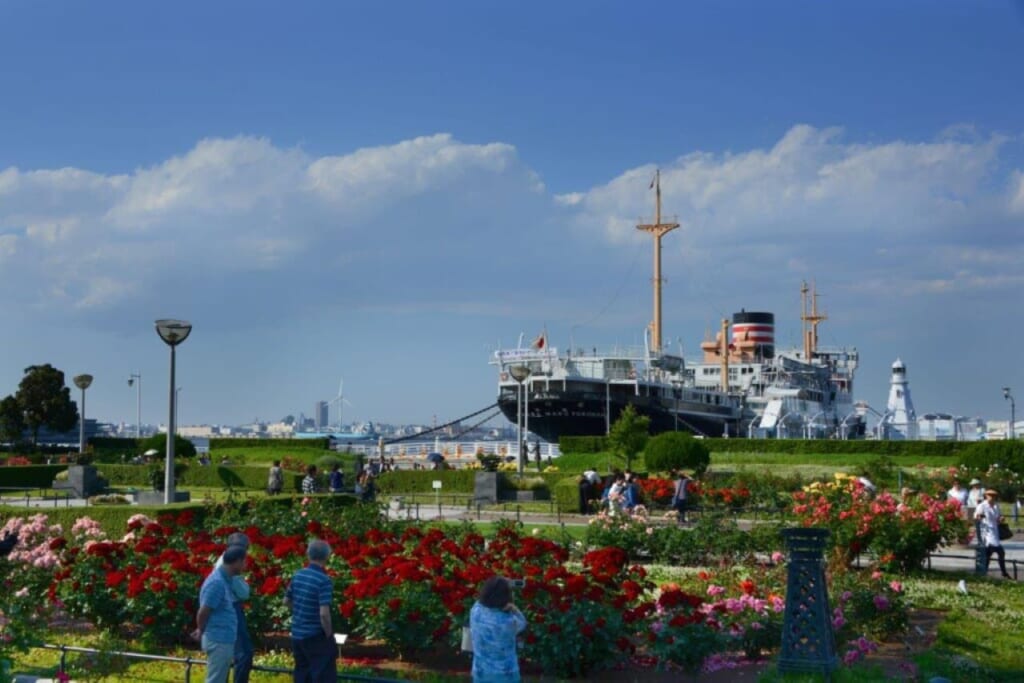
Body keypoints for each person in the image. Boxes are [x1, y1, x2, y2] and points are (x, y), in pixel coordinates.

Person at [193, 545, 247, 683]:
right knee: (215, 680)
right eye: (244, 561)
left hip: (223, 639)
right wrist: (200, 629)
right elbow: (203, 611)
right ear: (236, 562)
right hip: (218, 640)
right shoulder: (217, 583)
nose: (245, 565)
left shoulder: (225, 580)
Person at [285, 540, 337, 683]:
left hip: (297, 633)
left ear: (308, 555)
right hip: (315, 635)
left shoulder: (298, 575)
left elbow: (287, 601)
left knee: (302, 673)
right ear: (327, 557)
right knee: (322, 675)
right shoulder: (323, 580)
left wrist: (300, 613)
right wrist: (329, 635)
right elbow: (324, 614)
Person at [469, 577, 527, 683]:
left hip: (481, 674)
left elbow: (482, 600)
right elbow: (522, 624)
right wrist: (514, 609)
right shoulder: (508, 621)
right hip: (506, 676)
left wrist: (499, 584)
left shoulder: (475, 611)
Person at [213, 534, 253, 683]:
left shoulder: (223, 560)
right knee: (244, 653)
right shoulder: (231, 565)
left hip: (222, 609)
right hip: (231, 609)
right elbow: (244, 593)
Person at [974, 489, 1011, 579]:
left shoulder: (996, 506)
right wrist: (979, 516)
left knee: (993, 554)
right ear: (986, 496)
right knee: (998, 552)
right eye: (990, 495)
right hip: (986, 533)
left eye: (993, 496)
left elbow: (998, 517)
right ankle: (1002, 572)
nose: (992, 497)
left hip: (995, 532)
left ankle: (991, 572)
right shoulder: (982, 506)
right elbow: (976, 516)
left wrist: (1001, 518)